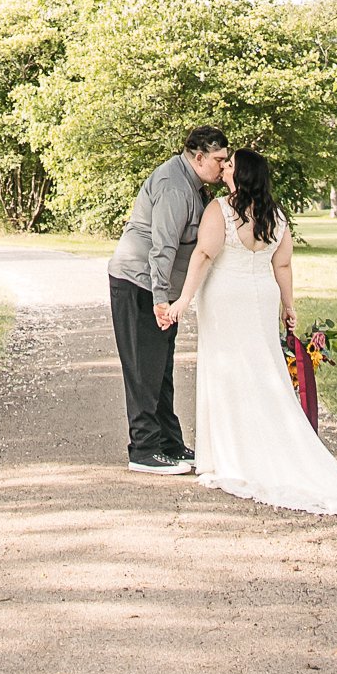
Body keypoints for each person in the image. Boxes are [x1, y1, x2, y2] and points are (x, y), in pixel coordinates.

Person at [168, 144, 337, 517]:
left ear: (241, 174)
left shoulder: (221, 209)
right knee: (263, 367)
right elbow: (283, 265)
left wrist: (182, 301)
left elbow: (203, 255)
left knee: (227, 367)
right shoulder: (276, 215)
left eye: (230, 164)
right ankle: (257, 444)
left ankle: (230, 455)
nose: (224, 168)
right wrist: (288, 306)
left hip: (226, 297)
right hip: (261, 296)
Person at [107, 125, 230, 474]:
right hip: (140, 283)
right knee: (144, 368)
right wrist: (162, 299)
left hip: (157, 287)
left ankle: (169, 443)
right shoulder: (175, 186)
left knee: (161, 368)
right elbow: (163, 247)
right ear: (199, 156)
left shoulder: (193, 184)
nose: (223, 166)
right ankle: (143, 450)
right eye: (219, 160)